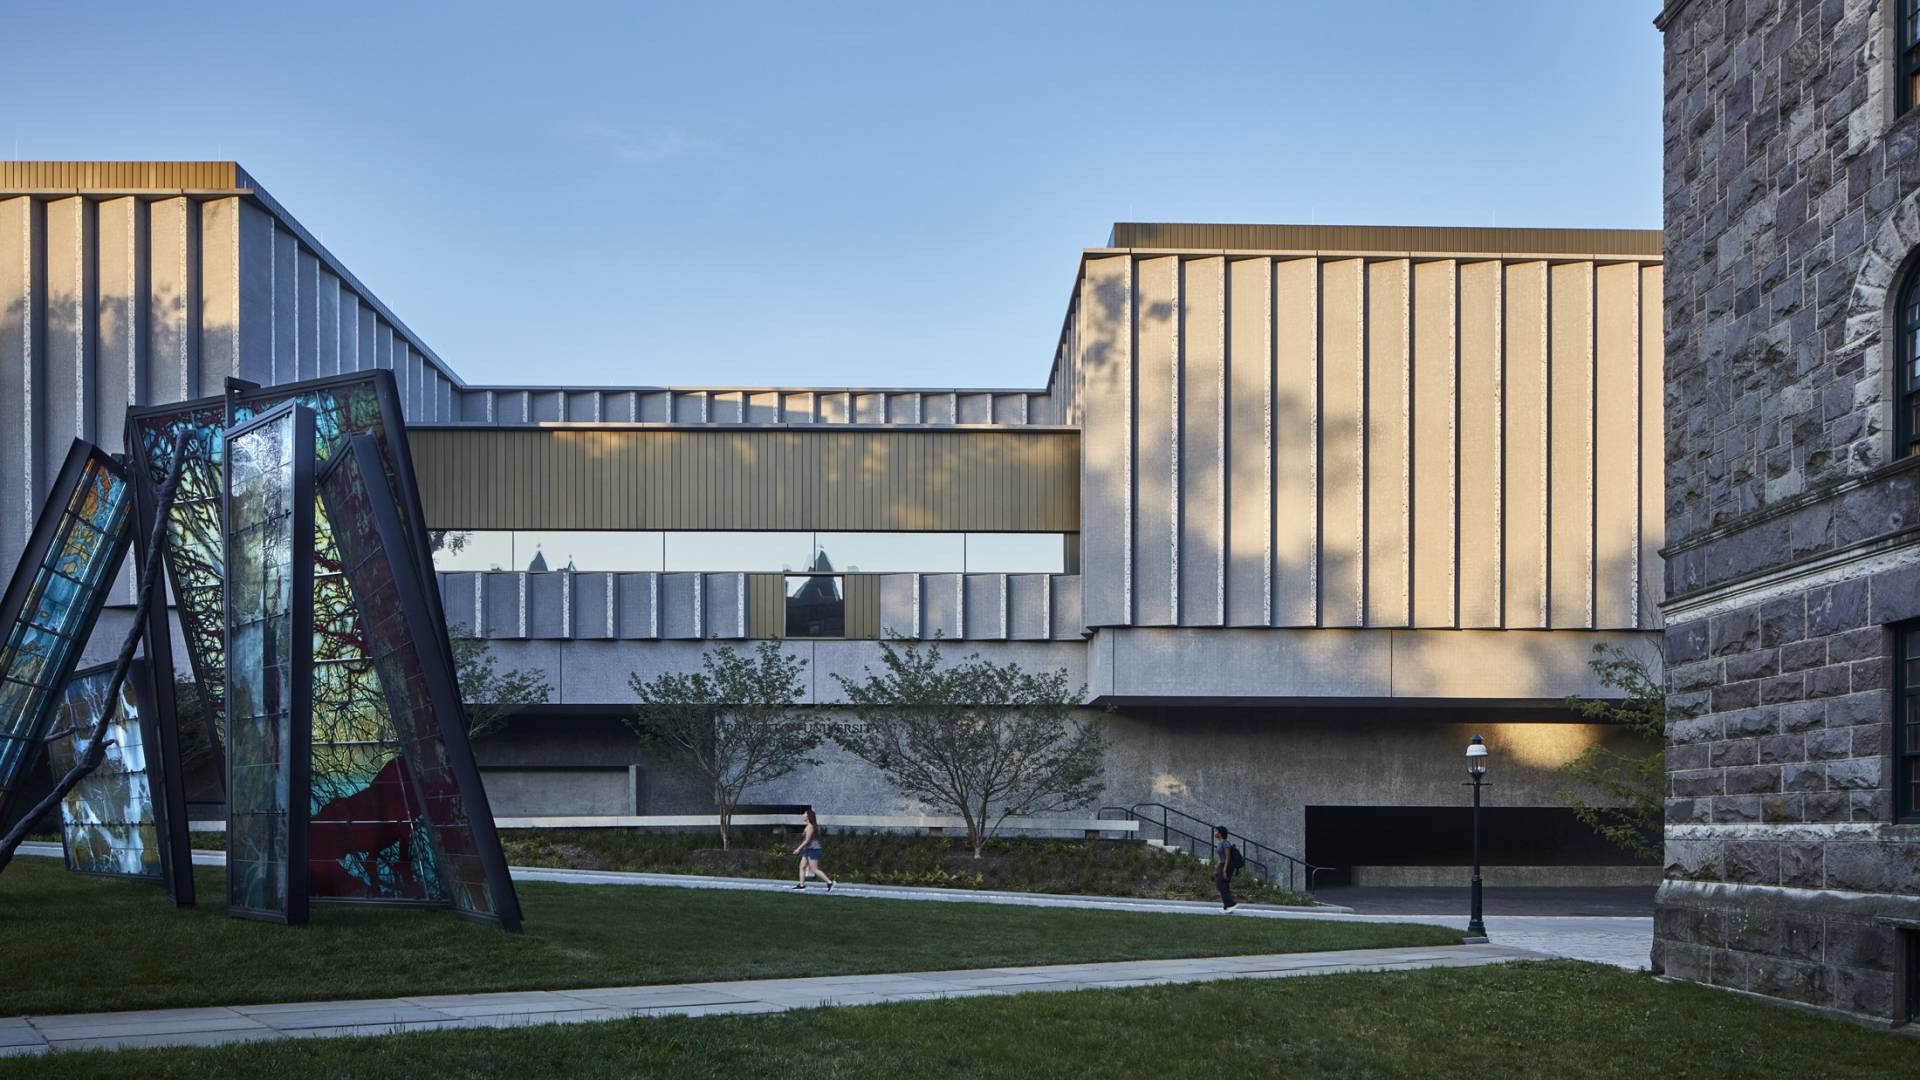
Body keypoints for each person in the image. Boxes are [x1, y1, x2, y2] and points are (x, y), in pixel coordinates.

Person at [791, 807, 836, 892]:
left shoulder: (810, 827)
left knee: (814, 869)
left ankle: (830, 883)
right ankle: (801, 885)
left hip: (813, 850)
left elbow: (807, 840)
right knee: (802, 866)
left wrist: (798, 849)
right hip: (808, 849)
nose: (803, 815)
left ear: (808, 816)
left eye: (804, 814)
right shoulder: (808, 826)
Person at [1212, 825, 1240, 913]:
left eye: (1216, 831)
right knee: (1223, 885)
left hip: (1228, 865)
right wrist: (1217, 867)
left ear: (1220, 833)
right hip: (1222, 865)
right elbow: (1221, 857)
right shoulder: (1219, 843)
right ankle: (1227, 906)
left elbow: (1227, 858)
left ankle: (1232, 903)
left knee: (1221, 885)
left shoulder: (1226, 843)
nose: (1215, 833)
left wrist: (1224, 870)